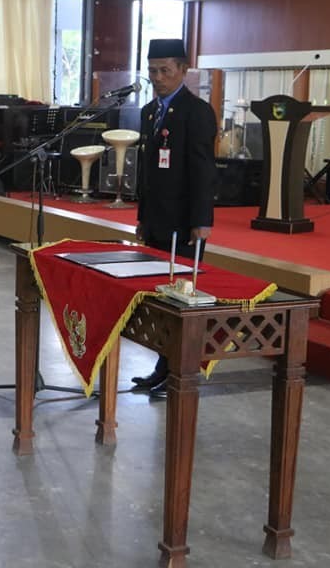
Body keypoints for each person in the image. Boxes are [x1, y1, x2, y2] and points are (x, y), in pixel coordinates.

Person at [132, 39, 217, 399]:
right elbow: (147, 173)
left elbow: (202, 170)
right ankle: (160, 368)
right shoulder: (150, 111)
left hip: (184, 221)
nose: (158, 77)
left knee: (182, 301)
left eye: (165, 70)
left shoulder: (196, 111)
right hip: (156, 220)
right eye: (152, 70)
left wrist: (202, 220)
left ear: (183, 70)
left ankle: (180, 372)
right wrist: (141, 217)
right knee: (159, 299)